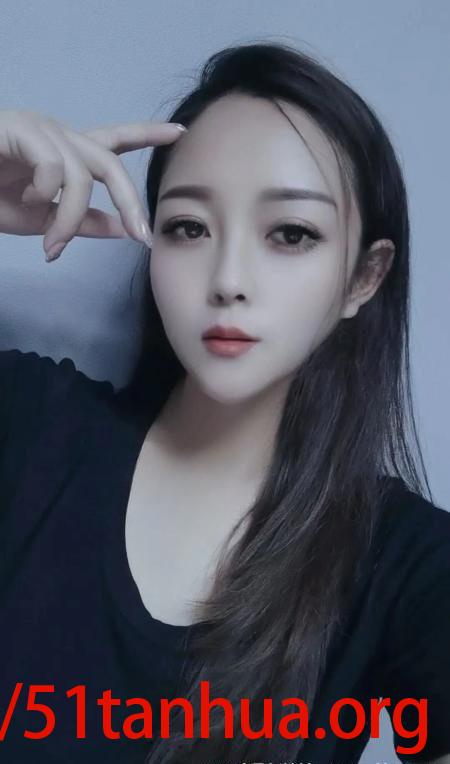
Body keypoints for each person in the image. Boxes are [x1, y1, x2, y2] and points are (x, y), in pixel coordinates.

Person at [0, 41, 449, 764]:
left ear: (364, 279)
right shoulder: (29, 424)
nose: (229, 278)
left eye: (291, 234)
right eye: (189, 227)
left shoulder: (408, 565)